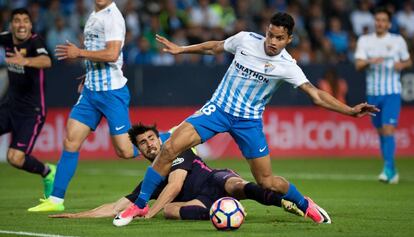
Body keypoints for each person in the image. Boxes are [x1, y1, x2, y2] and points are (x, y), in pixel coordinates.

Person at [116, 12, 379, 225]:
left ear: (289, 39)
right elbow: (215, 47)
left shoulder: (288, 65)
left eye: (279, 38)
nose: (272, 42)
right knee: (170, 147)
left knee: (266, 181)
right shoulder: (245, 40)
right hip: (217, 110)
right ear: (266, 30)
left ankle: (303, 203)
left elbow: (317, 95)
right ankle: (139, 206)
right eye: (270, 35)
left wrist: (349, 110)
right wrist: (182, 49)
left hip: (248, 122)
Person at [48, 124, 303, 221]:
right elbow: (117, 206)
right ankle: (223, 211)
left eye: (151, 138)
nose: (150, 144)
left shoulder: (179, 151)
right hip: (201, 201)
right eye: (143, 143)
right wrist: (77, 215)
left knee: (236, 186)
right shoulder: (151, 179)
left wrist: (149, 213)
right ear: (139, 150)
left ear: (159, 139)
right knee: (170, 211)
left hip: (216, 180)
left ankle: (284, 201)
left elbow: (175, 185)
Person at [28, 0, 139, 212]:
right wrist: (90, 73)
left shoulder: (112, 17)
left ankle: (167, 137)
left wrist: (78, 53)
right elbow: (98, 50)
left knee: (125, 151)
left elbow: (112, 54)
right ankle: (56, 200)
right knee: (70, 141)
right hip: (90, 92)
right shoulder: (93, 14)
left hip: (111, 92)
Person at [0, 8, 55, 198]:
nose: (21, 24)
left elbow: (46, 61)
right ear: (11, 24)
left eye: (25, 21)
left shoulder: (35, 42)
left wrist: (25, 61)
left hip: (32, 111)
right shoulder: (6, 38)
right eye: (17, 20)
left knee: (14, 158)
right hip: (9, 106)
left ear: (30, 25)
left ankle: (47, 172)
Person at [354, 7, 412, 184]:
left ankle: (387, 168)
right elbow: (358, 65)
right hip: (373, 93)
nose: (380, 23)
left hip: (392, 92)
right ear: (374, 22)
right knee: (381, 132)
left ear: (389, 23)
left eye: (383, 20)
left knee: (388, 129)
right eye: (377, 20)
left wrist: (401, 66)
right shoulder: (365, 40)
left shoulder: (397, 40)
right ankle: (392, 169)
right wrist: (370, 61)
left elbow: (408, 60)